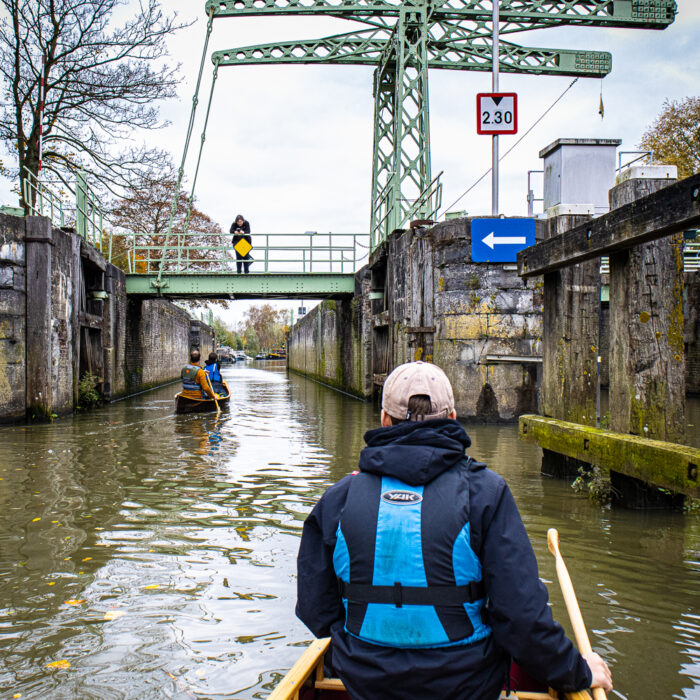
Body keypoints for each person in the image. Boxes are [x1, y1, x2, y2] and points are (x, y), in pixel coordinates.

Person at [296, 361, 613, 700]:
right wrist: (577, 671)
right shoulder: (487, 493)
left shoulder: (338, 499)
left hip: (364, 681)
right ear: (452, 418)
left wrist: (361, 652)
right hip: (467, 685)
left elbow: (315, 607)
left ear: (385, 420)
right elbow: (520, 618)